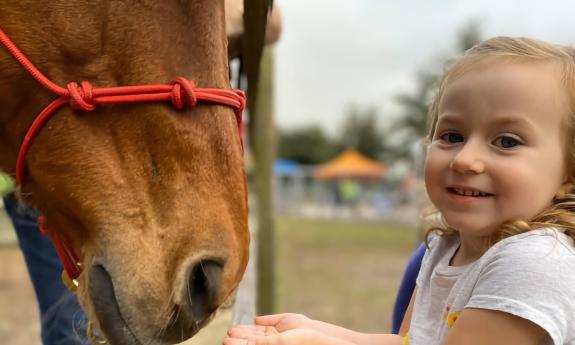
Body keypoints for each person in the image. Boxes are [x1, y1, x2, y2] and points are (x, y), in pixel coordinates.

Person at [224, 36, 575, 345]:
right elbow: (408, 342)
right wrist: (314, 330)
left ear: (568, 173)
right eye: (452, 136)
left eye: (506, 141)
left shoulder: (536, 263)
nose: (466, 159)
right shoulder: (444, 248)